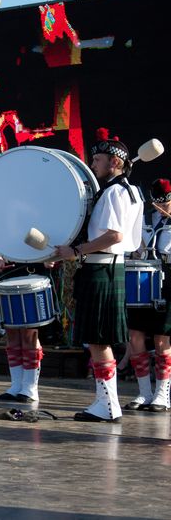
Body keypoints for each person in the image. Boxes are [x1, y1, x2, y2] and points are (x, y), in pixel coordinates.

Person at [54, 129, 143, 423]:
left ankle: (107, 405)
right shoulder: (131, 192)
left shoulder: (116, 191)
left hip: (101, 268)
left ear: (115, 163)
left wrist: (76, 251)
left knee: (97, 339)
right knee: (98, 339)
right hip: (108, 268)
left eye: (97, 159)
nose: (92, 165)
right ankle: (108, 402)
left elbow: (114, 234)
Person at [123, 178, 171, 412]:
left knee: (162, 339)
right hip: (143, 278)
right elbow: (134, 246)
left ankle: (163, 394)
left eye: (169, 203)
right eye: (161, 203)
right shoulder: (146, 219)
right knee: (135, 336)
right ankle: (144, 393)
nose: (164, 208)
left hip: (168, 278)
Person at [0, 254, 46, 404]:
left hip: (34, 274)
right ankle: (16, 386)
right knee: (11, 332)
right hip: (8, 275)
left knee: (29, 334)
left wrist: (50, 258)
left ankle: (30, 388)